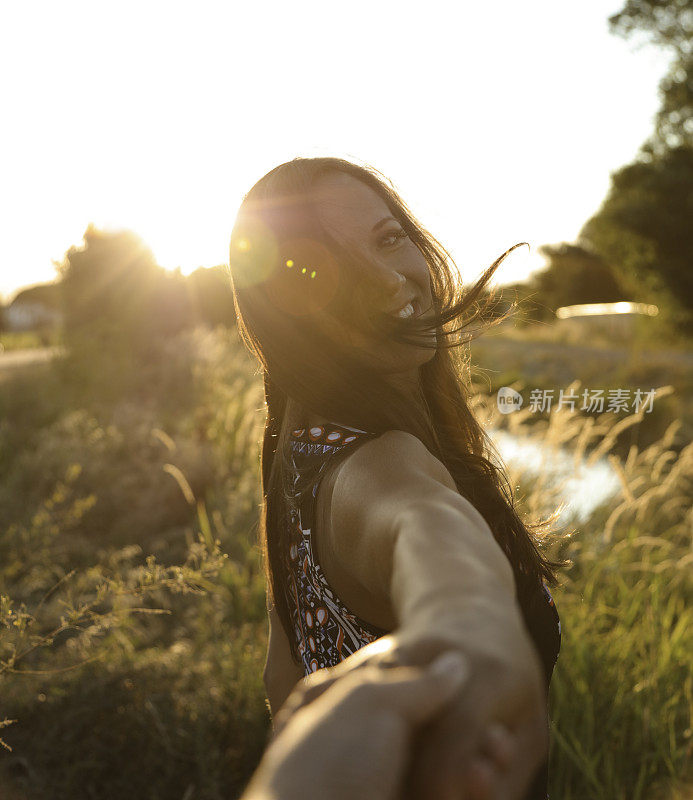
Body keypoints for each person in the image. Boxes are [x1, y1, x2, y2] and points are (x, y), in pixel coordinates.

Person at [228, 157, 564, 800]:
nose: (388, 280)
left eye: (389, 238)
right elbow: (423, 524)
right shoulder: (381, 466)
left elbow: (282, 672)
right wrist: (465, 623)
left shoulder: (294, 439)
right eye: (330, 272)